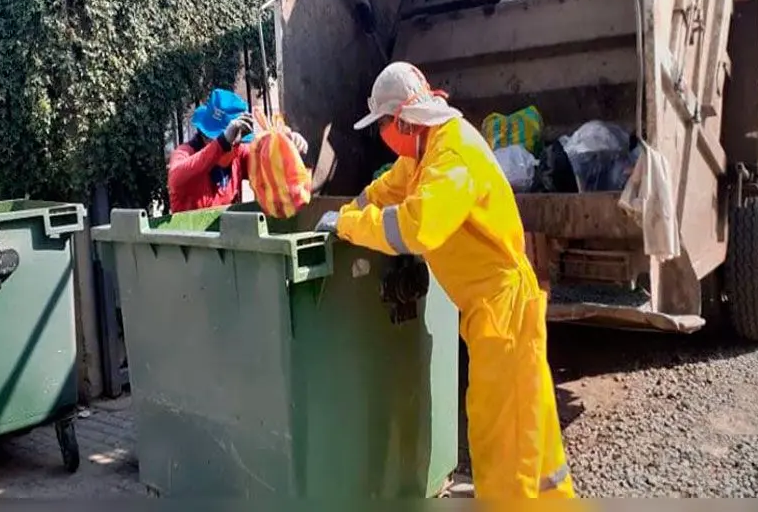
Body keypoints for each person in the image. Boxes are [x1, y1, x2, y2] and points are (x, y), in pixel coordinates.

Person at [314, 62, 574, 499]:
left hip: (504, 314)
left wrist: (349, 227)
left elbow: (417, 227)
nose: (380, 135)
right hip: (495, 312)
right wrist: (341, 213)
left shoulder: (451, 153)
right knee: (533, 442)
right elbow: (382, 193)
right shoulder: (422, 152)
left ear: (402, 120)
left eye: (381, 125)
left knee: (503, 447)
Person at [168, 88, 308, 213]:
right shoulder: (185, 153)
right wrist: (222, 142)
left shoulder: (238, 154)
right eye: (215, 139)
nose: (231, 148)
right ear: (205, 135)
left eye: (235, 142)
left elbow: (266, 166)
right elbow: (176, 177)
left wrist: (285, 147)